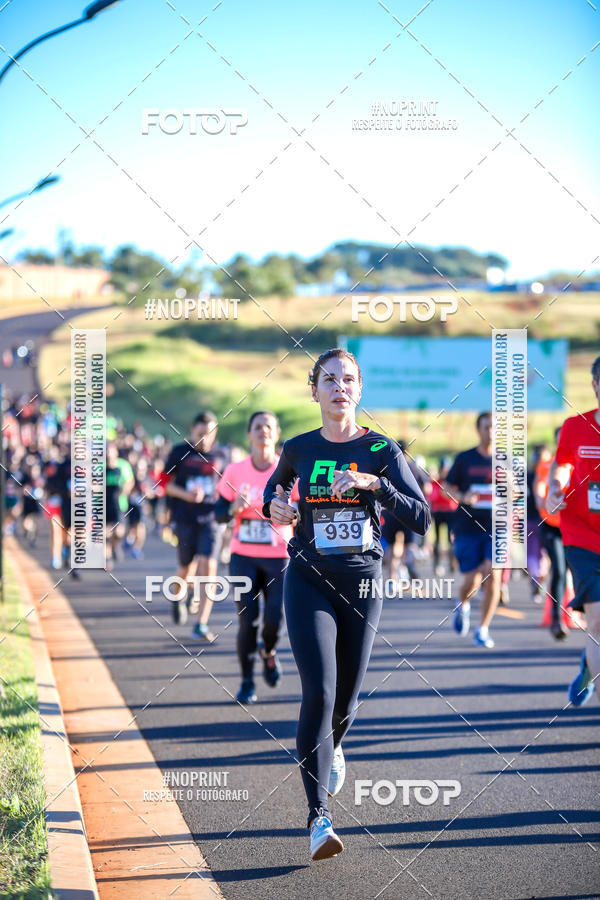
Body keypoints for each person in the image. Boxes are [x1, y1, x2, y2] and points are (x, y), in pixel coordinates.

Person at [263, 348, 430, 861]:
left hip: (361, 583)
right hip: (308, 579)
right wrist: (279, 508)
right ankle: (318, 818)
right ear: (314, 390)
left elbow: (421, 518)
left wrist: (373, 484)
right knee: (319, 690)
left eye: (348, 379)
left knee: (346, 702)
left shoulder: (381, 450)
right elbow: (274, 499)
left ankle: (333, 745)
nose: (339, 387)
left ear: (359, 390)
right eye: (329, 379)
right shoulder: (298, 449)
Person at [215, 411, 299, 703]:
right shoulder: (235, 471)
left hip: (279, 556)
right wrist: (234, 508)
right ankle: (247, 681)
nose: (263, 431)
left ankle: (269, 651)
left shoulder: (288, 469)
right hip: (243, 556)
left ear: (276, 434)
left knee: (275, 619)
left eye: (268, 427)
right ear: (249, 434)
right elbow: (218, 514)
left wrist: (293, 515)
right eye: (257, 427)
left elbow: (303, 512)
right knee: (247, 619)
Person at [547, 355, 600, 705]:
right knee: (597, 621)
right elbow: (562, 464)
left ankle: (589, 666)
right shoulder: (575, 426)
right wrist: (554, 489)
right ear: (595, 385)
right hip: (582, 534)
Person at [164, 411, 228, 638]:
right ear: (192, 431)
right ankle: (178, 596)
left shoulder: (222, 454)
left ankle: (201, 623)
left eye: (208, 433)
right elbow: (164, 484)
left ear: (214, 433)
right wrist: (186, 494)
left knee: (208, 565)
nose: (204, 438)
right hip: (185, 517)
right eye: (200, 433)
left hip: (211, 518)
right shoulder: (179, 452)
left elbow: (228, 484)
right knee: (185, 568)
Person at [444, 412, 501, 648]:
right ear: (479, 430)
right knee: (471, 581)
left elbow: (519, 493)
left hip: (497, 526)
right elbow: (447, 486)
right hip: (468, 526)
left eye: (495, 428)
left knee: (493, 574)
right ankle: (463, 605)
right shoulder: (465, 458)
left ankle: (483, 629)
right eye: (487, 427)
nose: (491, 432)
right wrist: (463, 497)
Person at [534, 431, 568, 639]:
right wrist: (541, 500)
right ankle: (556, 619)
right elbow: (538, 489)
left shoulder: (579, 463)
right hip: (551, 525)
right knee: (560, 570)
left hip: (575, 527)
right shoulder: (546, 464)